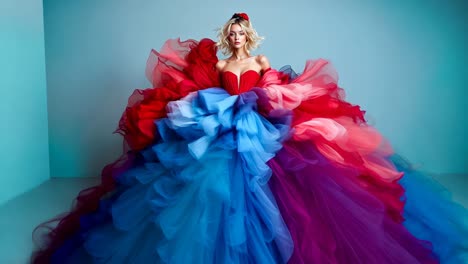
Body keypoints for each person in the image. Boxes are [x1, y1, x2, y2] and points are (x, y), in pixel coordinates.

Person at [31, 13, 468, 263]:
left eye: (241, 31)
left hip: (259, 122)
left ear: (250, 35)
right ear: (228, 36)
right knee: (205, 183)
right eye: (232, 32)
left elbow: (276, 83)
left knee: (289, 183)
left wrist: (270, 94)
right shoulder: (223, 63)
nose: (237, 36)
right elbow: (214, 87)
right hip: (224, 120)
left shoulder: (260, 58)